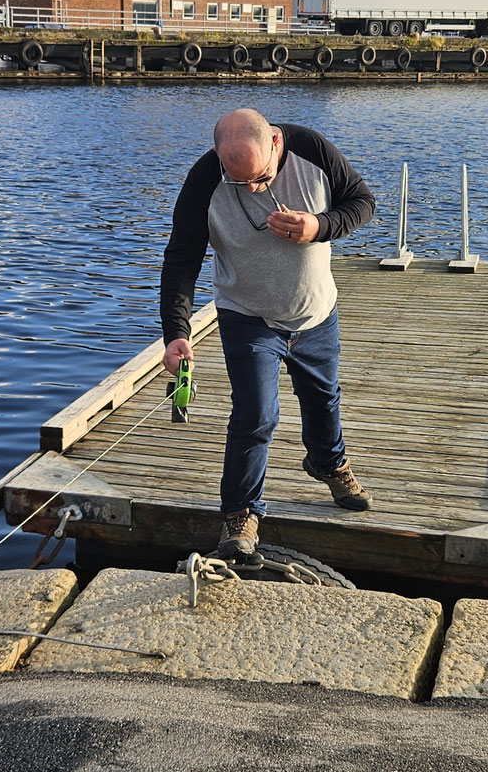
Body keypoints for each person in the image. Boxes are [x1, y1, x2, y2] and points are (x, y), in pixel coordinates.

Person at [160, 109, 377, 556]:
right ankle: (241, 514)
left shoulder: (313, 149)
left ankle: (328, 464)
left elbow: (363, 203)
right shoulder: (204, 179)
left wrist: (319, 226)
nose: (254, 189)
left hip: (315, 311)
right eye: (240, 183)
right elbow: (182, 257)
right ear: (219, 155)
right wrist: (176, 331)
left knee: (323, 398)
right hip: (247, 314)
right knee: (256, 413)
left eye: (261, 178)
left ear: (276, 143)